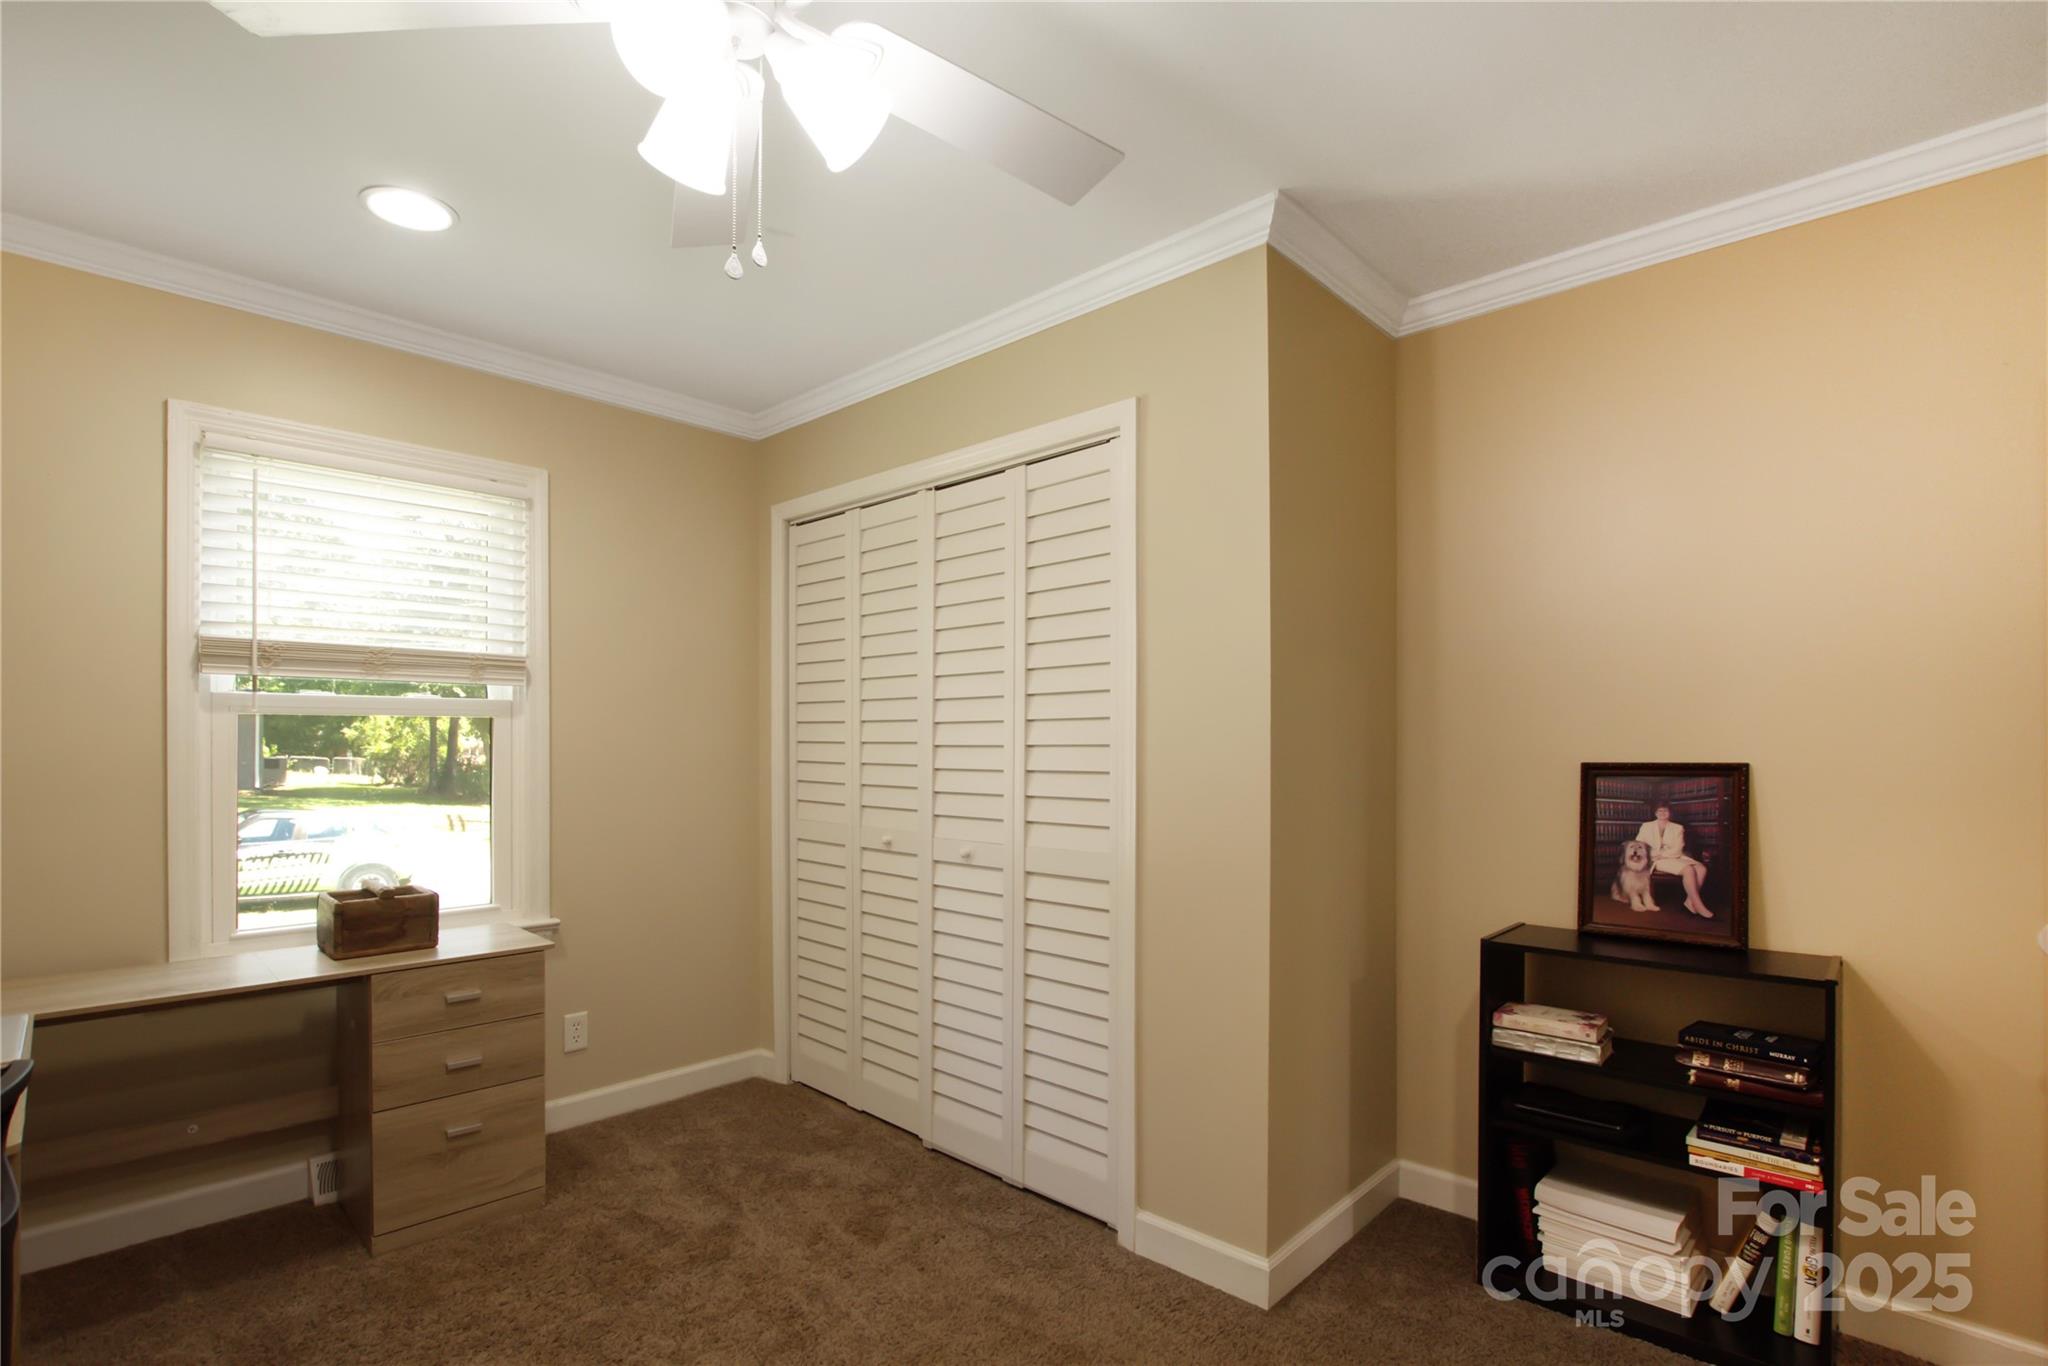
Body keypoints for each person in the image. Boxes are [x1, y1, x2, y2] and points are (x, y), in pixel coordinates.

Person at [1634, 803, 1713, 918]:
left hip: (1675, 857)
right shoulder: (1646, 826)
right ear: (1655, 813)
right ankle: (1699, 906)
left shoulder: (1678, 828)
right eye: (1660, 811)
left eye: (1665, 811)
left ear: (1670, 813)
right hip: (1656, 860)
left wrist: (1661, 854)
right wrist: (1656, 855)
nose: (1662, 813)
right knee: (1688, 869)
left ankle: (1690, 902)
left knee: (1701, 868)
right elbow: (1639, 846)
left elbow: (1678, 849)